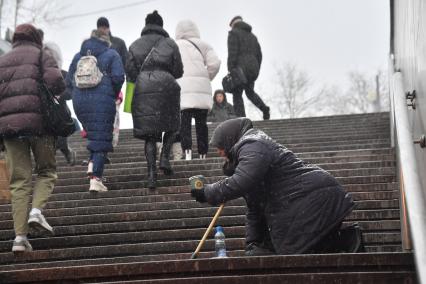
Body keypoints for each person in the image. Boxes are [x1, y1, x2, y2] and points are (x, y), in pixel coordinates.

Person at [191, 118, 364, 256]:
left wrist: (208, 192)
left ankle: (348, 240)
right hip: (306, 199)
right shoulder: (249, 150)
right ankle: (348, 240)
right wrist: (253, 244)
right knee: (297, 248)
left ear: (229, 139)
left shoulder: (252, 143)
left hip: (313, 197)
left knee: (295, 249)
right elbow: (254, 208)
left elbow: (243, 180)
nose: (219, 152)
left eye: (220, 147)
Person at [0, 24, 65, 252]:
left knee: (19, 182)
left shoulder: (3, 60)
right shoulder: (41, 55)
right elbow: (57, 83)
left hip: (10, 128)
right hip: (41, 126)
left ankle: (19, 239)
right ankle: (36, 211)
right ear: (36, 38)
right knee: (46, 171)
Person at [126, 10, 183, 189]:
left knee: (150, 135)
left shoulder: (135, 45)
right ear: (161, 25)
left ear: (146, 24)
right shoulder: (170, 44)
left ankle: (151, 175)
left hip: (143, 86)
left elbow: (130, 70)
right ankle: (165, 157)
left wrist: (144, 78)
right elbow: (179, 70)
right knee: (173, 125)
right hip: (167, 86)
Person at [67, 29, 125, 192]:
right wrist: (111, 93)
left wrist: (79, 94)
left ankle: (92, 164)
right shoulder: (112, 54)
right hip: (102, 100)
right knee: (102, 139)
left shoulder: (78, 56)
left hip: (80, 102)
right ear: (106, 41)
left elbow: (68, 81)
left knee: (94, 135)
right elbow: (119, 77)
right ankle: (96, 179)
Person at [175, 20, 221, 160]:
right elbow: (215, 63)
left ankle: (187, 151)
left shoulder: (175, 45)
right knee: (202, 124)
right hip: (201, 89)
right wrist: (206, 77)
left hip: (183, 89)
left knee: (185, 124)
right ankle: (203, 153)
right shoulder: (204, 45)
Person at [227, 16, 270, 120]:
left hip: (239, 68)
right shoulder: (253, 36)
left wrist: (231, 68)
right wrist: (256, 67)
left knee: (237, 93)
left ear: (233, 24)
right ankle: (264, 109)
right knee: (250, 92)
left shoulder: (233, 33)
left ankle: (241, 120)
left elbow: (233, 52)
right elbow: (259, 55)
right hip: (252, 68)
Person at [43, 41, 77, 166]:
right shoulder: (39, 73)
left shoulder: (63, 74)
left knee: (61, 139)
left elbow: (70, 92)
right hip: (44, 111)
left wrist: (59, 95)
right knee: (47, 139)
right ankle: (46, 164)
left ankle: (67, 151)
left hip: (59, 112)